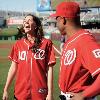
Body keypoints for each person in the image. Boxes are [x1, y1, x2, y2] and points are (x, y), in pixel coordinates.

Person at [50, 2, 100, 100]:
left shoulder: (85, 41)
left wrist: (83, 95)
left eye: (56, 20)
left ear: (63, 20)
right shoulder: (73, 40)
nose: (56, 24)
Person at [2, 14, 56, 100]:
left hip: (40, 92)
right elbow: (13, 68)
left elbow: (50, 70)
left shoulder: (46, 43)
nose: (26, 22)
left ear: (36, 25)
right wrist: (6, 90)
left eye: (30, 20)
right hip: (21, 93)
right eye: (24, 20)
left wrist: (50, 93)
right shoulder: (18, 44)